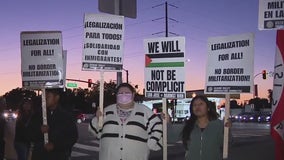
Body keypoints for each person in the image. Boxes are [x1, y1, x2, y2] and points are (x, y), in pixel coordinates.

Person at [89, 83, 163, 160]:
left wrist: (152, 143)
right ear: (116, 95)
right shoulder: (107, 111)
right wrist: (97, 119)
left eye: (127, 93)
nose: (123, 95)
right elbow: (94, 132)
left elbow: (158, 128)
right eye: (120, 93)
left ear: (133, 94)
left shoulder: (145, 112)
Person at [167, 95, 231, 160]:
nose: (197, 107)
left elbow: (228, 143)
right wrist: (167, 123)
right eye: (194, 105)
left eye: (201, 104)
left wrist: (228, 130)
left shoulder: (218, 125)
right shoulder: (188, 126)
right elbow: (171, 138)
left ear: (208, 108)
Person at [30, 88, 78, 160]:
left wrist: (55, 146)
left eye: (48, 96)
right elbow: (29, 134)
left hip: (58, 156)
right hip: (39, 155)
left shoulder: (66, 116)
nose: (45, 99)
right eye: (43, 96)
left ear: (56, 98)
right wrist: (39, 130)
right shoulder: (38, 114)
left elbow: (72, 137)